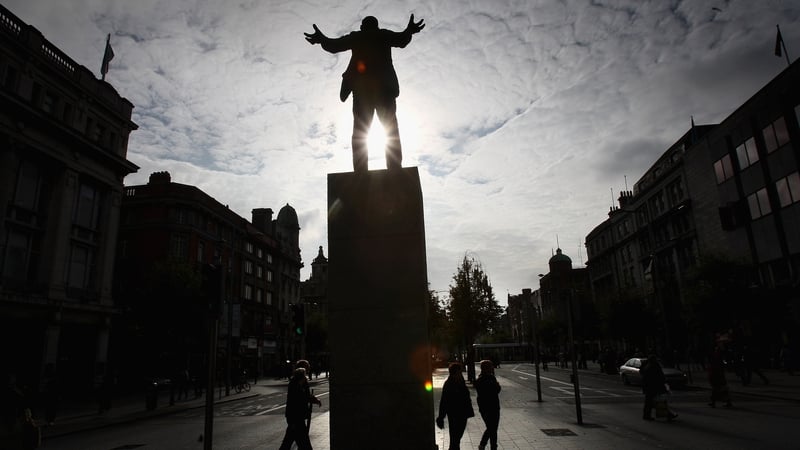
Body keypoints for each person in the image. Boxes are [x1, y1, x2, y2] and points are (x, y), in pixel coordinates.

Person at [304, 14, 425, 172]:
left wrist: (321, 39)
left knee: (361, 133)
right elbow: (402, 40)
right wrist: (409, 30)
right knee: (390, 131)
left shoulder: (358, 37)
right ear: (376, 25)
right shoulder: (383, 35)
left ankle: (361, 172)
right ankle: (394, 169)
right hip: (384, 91)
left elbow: (334, 45)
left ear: (362, 27)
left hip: (363, 93)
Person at [279, 368, 321, 450]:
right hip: (296, 419)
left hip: (296, 419)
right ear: (301, 377)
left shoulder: (297, 385)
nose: (306, 378)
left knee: (288, 442)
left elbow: (305, 396)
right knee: (303, 443)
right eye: (305, 376)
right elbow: (300, 401)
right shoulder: (296, 387)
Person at [436, 362, 474, 450]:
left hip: (462, 413)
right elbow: (444, 401)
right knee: (455, 437)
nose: (461, 373)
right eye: (459, 371)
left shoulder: (460, 381)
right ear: (454, 372)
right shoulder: (449, 384)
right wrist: (441, 416)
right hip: (454, 414)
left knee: (456, 437)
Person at [640, 355, 677, 421]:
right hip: (655, 387)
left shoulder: (647, 366)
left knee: (651, 402)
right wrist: (664, 384)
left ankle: (647, 415)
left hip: (648, 387)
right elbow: (660, 376)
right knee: (658, 401)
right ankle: (667, 414)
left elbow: (643, 376)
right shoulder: (655, 366)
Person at [474, 360, 501, 450]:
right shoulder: (490, 378)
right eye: (491, 367)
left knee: (491, 428)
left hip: (485, 407)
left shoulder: (480, 379)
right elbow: (497, 389)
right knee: (492, 428)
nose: (492, 368)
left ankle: (485, 445)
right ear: (487, 368)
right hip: (491, 407)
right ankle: (488, 445)